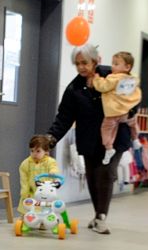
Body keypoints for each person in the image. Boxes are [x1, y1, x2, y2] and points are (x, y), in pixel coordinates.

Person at [46, 44, 134, 235]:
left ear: (96, 60)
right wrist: (51, 137)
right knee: (93, 177)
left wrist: (131, 113)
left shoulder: (112, 76)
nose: (81, 67)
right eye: (77, 64)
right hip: (88, 140)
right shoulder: (74, 89)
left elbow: (132, 96)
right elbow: (64, 117)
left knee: (106, 174)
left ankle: (102, 217)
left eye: (84, 63)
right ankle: (98, 215)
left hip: (114, 138)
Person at [88, 51, 142, 165]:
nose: (112, 66)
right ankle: (136, 139)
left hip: (114, 113)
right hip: (127, 112)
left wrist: (97, 79)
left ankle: (108, 148)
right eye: (113, 63)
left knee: (107, 129)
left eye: (116, 64)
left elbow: (102, 87)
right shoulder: (132, 79)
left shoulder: (113, 78)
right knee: (133, 123)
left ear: (127, 67)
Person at [18, 134, 60, 213]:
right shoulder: (26, 163)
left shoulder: (50, 161)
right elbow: (24, 179)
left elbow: (54, 167)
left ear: (46, 151)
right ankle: (25, 217)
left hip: (45, 191)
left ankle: (45, 219)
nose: (34, 153)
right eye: (32, 151)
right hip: (31, 191)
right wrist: (25, 191)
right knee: (28, 205)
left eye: (38, 151)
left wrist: (53, 172)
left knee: (44, 207)